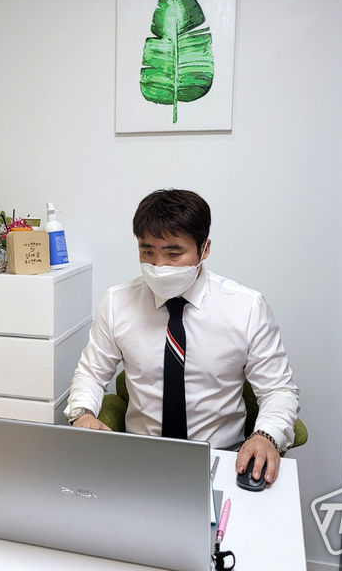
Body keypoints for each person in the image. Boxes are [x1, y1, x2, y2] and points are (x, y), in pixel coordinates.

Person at [64, 189, 299, 484]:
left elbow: (278, 389)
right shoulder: (117, 302)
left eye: (173, 254)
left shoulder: (246, 307)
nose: (159, 266)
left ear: (205, 249)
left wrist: (266, 435)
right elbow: (91, 373)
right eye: (147, 252)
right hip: (141, 458)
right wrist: (82, 413)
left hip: (222, 459)